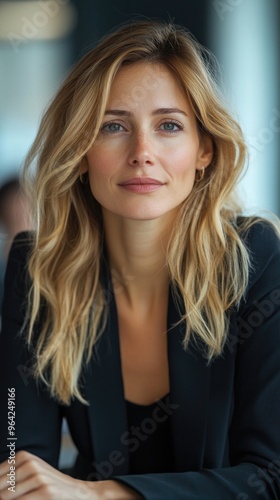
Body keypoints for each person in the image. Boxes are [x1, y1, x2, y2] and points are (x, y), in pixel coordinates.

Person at [0, 19, 280, 500]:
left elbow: (270, 476)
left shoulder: (253, 256)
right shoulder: (38, 268)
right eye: (112, 126)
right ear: (81, 150)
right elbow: (15, 463)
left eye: (169, 126)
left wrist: (100, 494)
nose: (142, 153)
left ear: (204, 150)